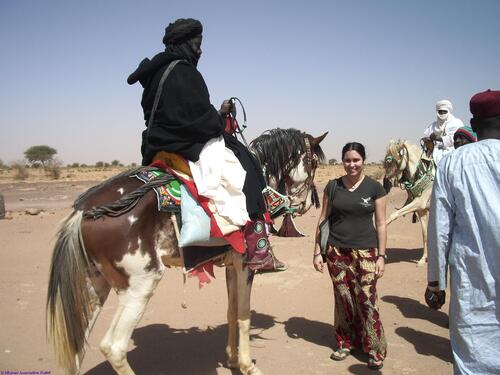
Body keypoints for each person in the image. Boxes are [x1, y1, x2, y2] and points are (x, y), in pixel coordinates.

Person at [127, 18, 285, 272]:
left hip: (156, 145)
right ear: (184, 43)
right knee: (245, 164)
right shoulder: (185, 72)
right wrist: (219, 117)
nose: (200, 50)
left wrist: (215, 114)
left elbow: (183, 113)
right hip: (183, 142)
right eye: (197, 44)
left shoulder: (155, 74)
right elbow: (199, 120)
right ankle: (258, 247)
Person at [425, 89, 500, 374]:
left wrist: (435, 282)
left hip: (472, 281)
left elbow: (440, 228)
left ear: (473, 124)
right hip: (472, 276)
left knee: (472, 359)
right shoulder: (438, 137)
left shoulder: (453, 163)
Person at [313, 142, 388, 370]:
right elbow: (323, 219)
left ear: (363, 160)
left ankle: (375, 348)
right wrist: (318, 251)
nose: (351, 164)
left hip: (366, 251)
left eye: (356, 160)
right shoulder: (332, 187)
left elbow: (382, 224)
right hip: (336, 251)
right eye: (347, 160)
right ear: (342, 161)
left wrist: (382, 256)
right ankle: (346, 342)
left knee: (367, 298)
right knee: (344, 299)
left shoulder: (375, 188)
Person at [422, 99, 463, 164]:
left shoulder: (456, 123)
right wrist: (427, 139)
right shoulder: (433, 125)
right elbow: (427, 136)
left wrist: (437, 138)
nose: (442, 113)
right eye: (440, 111)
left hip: (452, 154)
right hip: (433, 154)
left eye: (444, 111)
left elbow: (455, 139)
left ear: (449, 111)